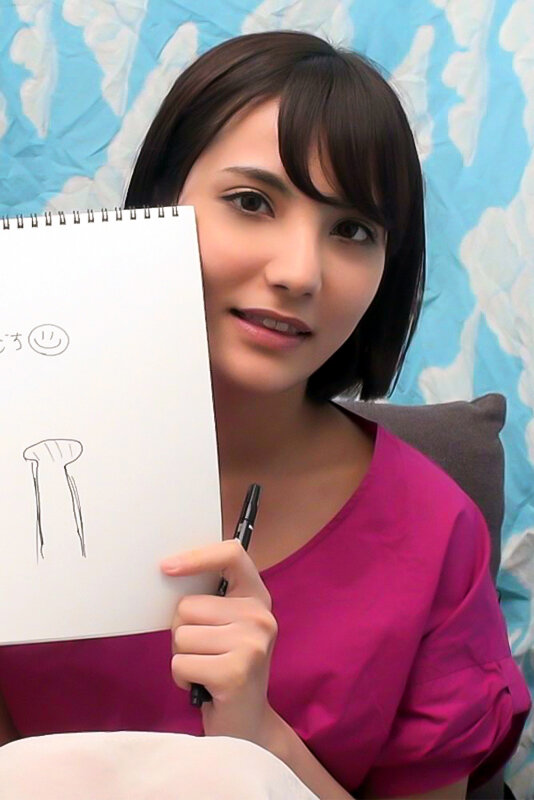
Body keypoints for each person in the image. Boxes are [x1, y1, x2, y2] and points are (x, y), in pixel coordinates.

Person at [0, 30, 530, 800]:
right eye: (251, 203)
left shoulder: (434, 534)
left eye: (352, 230)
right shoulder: (20, 450)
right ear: (161, 202)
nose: (299, 272)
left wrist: (259, 737)